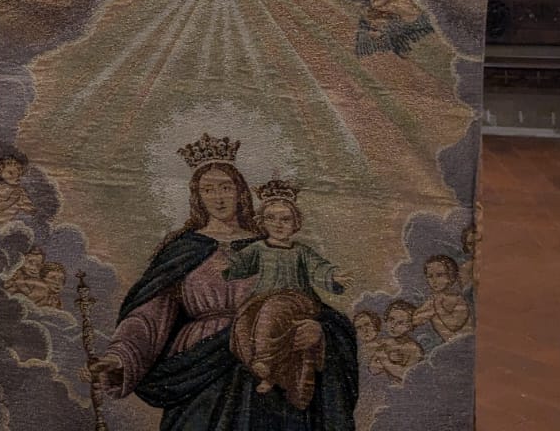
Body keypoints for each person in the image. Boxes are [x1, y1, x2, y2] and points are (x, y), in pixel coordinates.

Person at [88, 138, 358, 430]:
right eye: (208, 189)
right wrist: (120, 357)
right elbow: (149, 317)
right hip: (200, 366)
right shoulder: (184, 249)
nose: (218, 198)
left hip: (264, 354)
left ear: (240, 192)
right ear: (197, 196)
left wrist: (318, 330)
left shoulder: (271, 247)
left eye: (226, 188)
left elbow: (304, 302)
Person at [225, 183, 349, 410]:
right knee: (243, 323)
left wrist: (333, 276)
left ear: (296, 223)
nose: (278, 224)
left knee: (273, 310)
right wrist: (227, 266)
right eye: (271, 218)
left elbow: (318, 268)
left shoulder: (301, 251)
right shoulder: (258, 248)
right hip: (261, 299)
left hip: (296, 300)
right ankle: (267, 373)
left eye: (285, 219)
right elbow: (240, 265)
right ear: (262, 222)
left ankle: (264, 360)